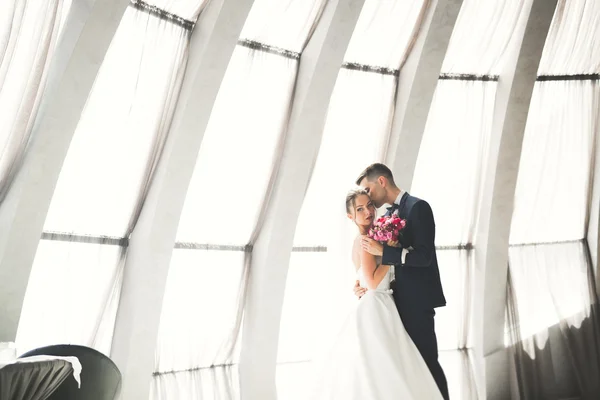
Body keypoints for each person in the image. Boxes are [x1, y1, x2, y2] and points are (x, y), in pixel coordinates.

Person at [309, 188, 443, 399]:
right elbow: (371, 282)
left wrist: (381, 256)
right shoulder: (364, 241)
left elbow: (363, 276)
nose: (368, 212)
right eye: (360, 209)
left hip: (385, 302)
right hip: (376, 306)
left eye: (370, 205)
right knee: (384, 366)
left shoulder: (372, 238)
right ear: (350, 216)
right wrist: (389, 254)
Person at [356, 163, 449, 400]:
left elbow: (424, 256)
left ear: (382, 182)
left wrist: (386, 252)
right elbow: (375, 265)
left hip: (417, 302)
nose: (367, 197)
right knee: (405, 371)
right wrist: (363, 285)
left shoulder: (418, 207)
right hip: (391, 306)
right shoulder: (386, 217)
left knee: (427, 364)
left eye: (367, 189)